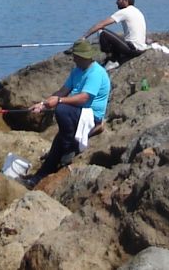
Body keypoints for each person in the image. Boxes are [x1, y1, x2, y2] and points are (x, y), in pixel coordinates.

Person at [22, 39, 110, 187]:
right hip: (78, 113)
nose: (73, 59)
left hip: (90, 115)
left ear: (83, 56)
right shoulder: (77, 71)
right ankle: (38, 178)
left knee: (62, 110)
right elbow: (63, 91)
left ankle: (71, 147)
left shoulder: (96, 73)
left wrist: (59, 101)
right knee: (58, 142)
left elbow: (84, 98)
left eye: (75, 56)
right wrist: (43, 104)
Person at [82, 0, 147, 68]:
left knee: (102, 32)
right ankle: (115, 57)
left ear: (126, 1)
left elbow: (101, 24)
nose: (116, 2)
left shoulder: (125, 12)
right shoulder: (137, 11)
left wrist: (84, 37)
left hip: (133, 49)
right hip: (141, 48)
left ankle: (112, 59)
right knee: (118, 38)